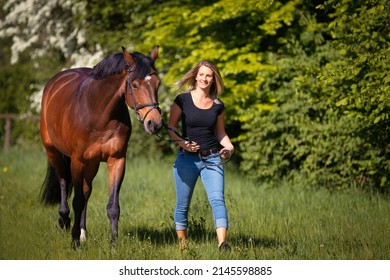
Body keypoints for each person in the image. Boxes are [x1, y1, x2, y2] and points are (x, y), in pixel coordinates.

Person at [167, 60, 234, 251]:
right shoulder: (182, 100)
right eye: (202, 74)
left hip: (212, 159)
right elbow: (171, 127)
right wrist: (182, 143)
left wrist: (229, 147)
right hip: (186, 159)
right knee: (183, 203)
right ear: (196, 75)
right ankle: (182, 246)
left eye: (209, 75)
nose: (205, 78)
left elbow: (220, 133)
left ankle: (223, 244)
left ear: (213, 79)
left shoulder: (218, 106)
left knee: (217, 199)